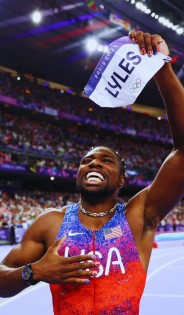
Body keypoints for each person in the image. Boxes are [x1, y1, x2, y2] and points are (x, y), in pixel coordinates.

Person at [0, 30, 184, 315]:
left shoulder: (139, 215)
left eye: (106, 160)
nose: (94, 163)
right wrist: (33, 271)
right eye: (87, 161)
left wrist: (163, 69)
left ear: (122, 179)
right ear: (78, 174)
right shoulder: (50, 223)